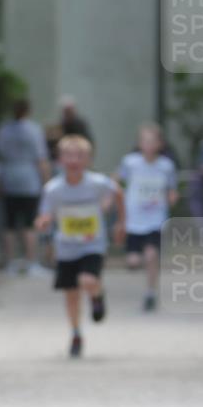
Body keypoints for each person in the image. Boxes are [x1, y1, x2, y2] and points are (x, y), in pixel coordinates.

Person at [35, 135, 125, 358]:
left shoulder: (96, 183)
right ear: (59, 159)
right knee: (71, 294)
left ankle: (97, 294)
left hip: (92, 244)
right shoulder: (53, 189)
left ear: (88, 159)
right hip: (66, 247)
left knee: (88, 280)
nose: (74, 160)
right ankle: (76, 334)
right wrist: (43, 222)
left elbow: (118, 192)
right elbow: (45, 214)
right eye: (68, 155)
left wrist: (121, 223)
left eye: (79, 155)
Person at [114, 123, 178, 311]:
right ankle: (139, 262)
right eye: (145, 141)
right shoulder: (130, 162)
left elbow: (172, 189)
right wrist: (113, 200)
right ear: (140, 143)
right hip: (134, 219)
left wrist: (172, 197)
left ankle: (150, 292)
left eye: (153, 141)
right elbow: (116, 179)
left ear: (160, 144)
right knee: (133, 261)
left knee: (151, 255)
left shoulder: (166, 166)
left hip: (155, 219)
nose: (149, 145)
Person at [0, 99, 51, 274]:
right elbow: (41, 158)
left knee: (9, 224)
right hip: (29, 179)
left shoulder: (4, 130)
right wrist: (46, 181)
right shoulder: (34, 130)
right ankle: (31, 261)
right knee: (29, 222)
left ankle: (11, 262)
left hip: (9, 176)